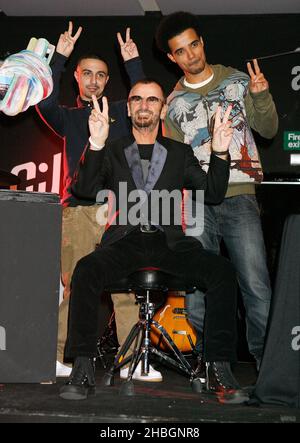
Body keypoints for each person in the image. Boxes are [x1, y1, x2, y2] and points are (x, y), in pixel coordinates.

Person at [59, 78, 249, 405]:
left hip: (170, 242)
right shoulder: (113, 148)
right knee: (86, 269)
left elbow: (214, 194)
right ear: (129, 107)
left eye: (152, 100)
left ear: (162, 108)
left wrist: (219, 152)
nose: (144, 105)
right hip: (125, 239)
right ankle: (83, 367)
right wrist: (96, 143)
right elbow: (84, 190)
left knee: (222, 271)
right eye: (137, 99)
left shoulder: (179, 152)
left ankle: (218, 369)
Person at [155, 11, 278, 369]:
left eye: (194, 45)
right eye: (181, 51)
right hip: (195, 203)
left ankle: (267, 364)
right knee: (196, 292)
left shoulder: (239, 82)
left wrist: (262, 95)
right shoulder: (173, 105)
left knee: (255, 286)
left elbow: (269, 130)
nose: (191, 55)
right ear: (171, 58)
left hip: (239, 196)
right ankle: (214, 364)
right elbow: (174, 165)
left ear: (202, 42)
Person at [37, 22, 144, 377]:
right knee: (76, 286)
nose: (94, 80)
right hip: (79, 212)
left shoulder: (121, 113)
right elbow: (43, 99)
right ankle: (57, 357)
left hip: (117, 211)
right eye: (87, 74)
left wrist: (134, 65)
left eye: (100, 75)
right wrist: (60, 58)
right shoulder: (67, 117)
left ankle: (132, 362)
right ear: (77, 79)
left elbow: (144, 101)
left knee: (126, 288)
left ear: (107, 80)